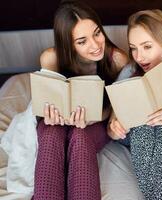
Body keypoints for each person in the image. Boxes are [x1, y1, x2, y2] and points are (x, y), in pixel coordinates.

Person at [33, 1, 128, 200]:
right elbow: (45, 102)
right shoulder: (51, 58)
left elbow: (119, 104)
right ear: (68, 43)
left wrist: (95, 117)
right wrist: (50, 114)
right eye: (82, 41)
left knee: (80, 137)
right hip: (57, 121)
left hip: (96, 122)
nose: (95, 45)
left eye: (97, 33)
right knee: (51, 135)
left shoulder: (117, 59)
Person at [107, 9, 162, 200]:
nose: (139, 57)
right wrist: (113, 129)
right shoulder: (130, 71)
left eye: (147, 47)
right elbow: (112, 124)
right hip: (135, 133)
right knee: (143, 125)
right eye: (133, 48)